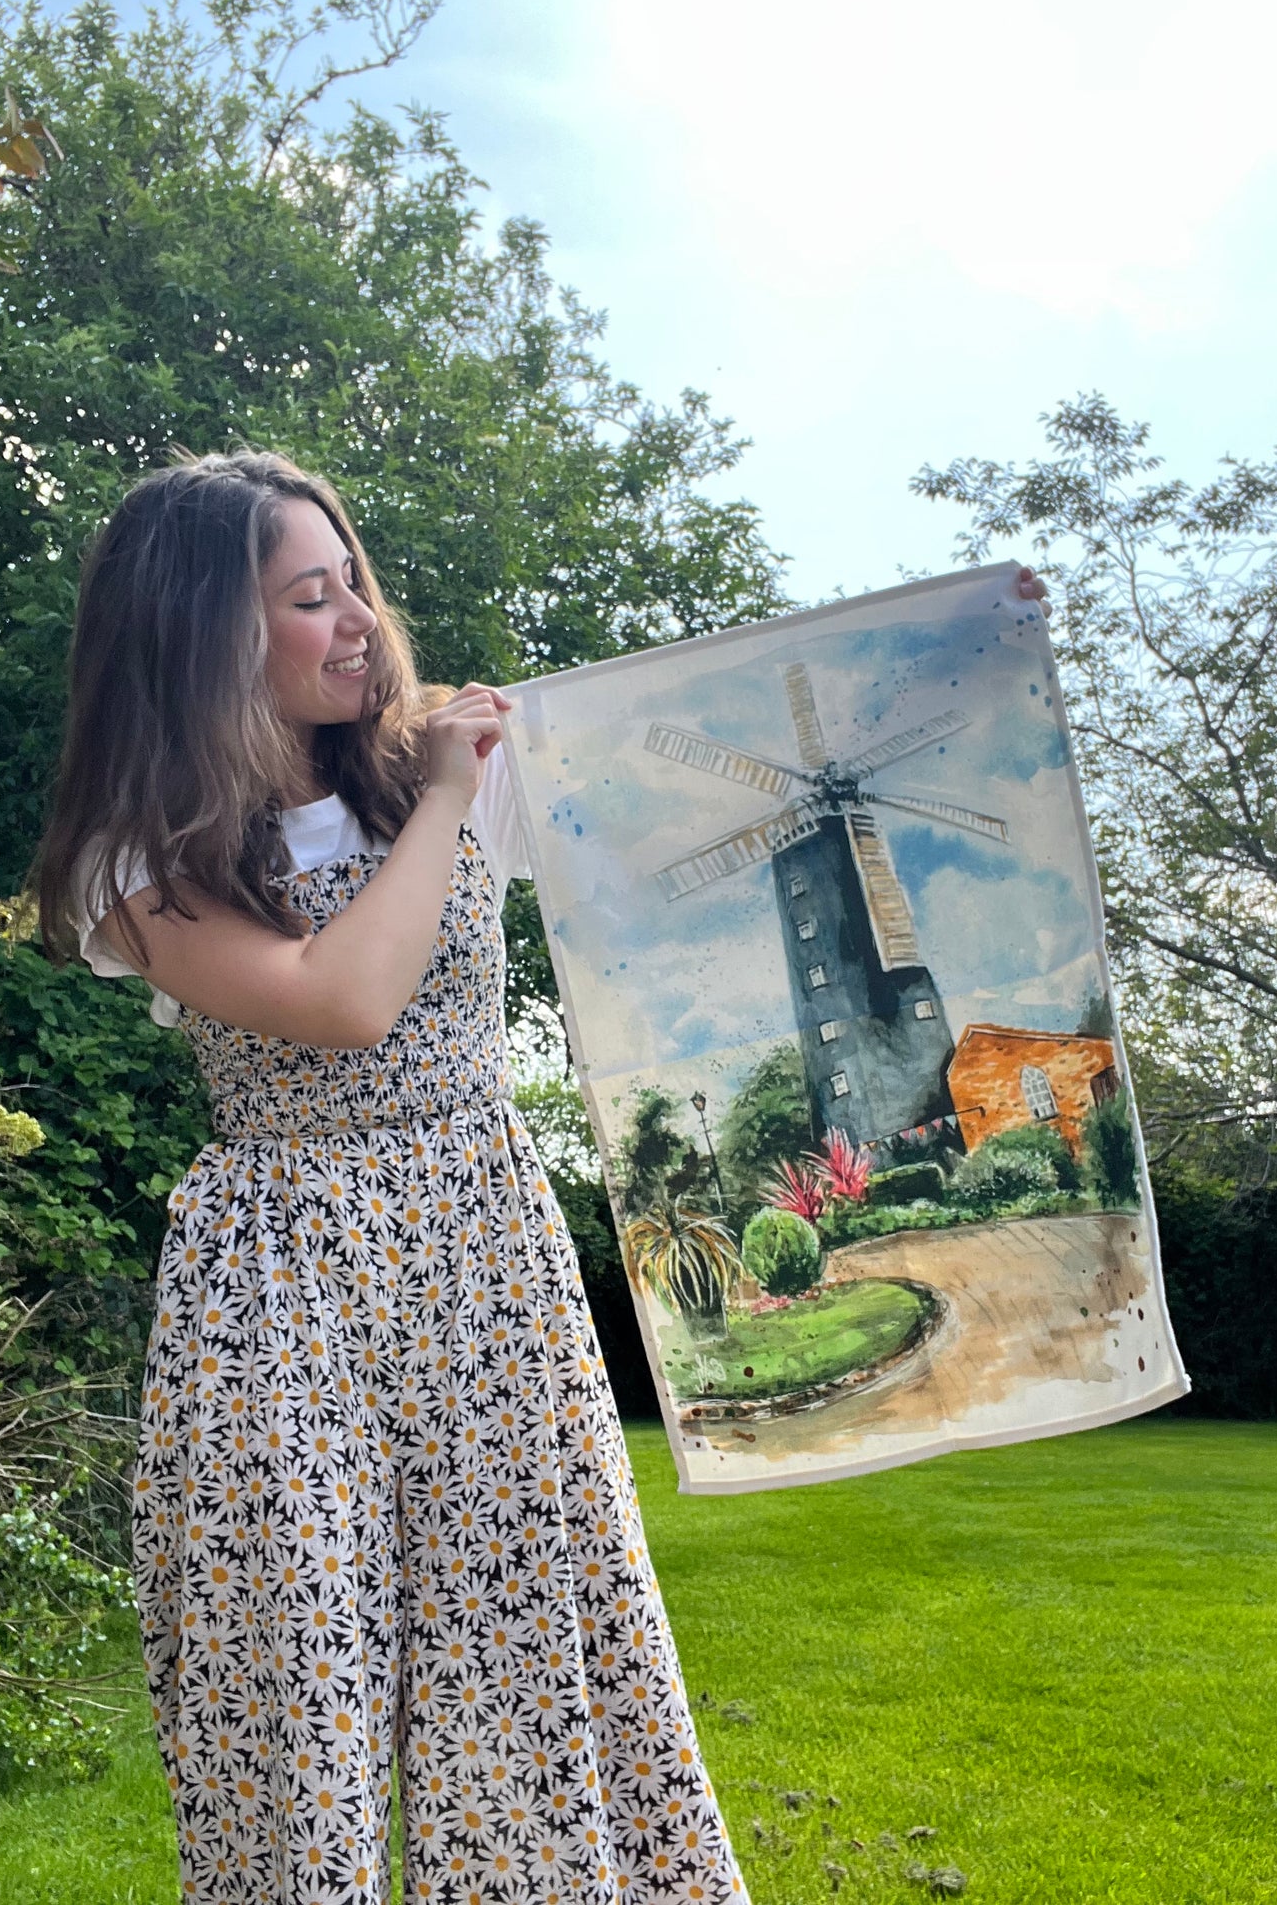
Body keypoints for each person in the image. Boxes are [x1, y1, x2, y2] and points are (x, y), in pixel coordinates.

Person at [37, 449, 747, 1905]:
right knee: (294, 1687)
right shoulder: (148, 857)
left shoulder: (452, 770)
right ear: (203, 643)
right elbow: (339, 998)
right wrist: (442, 801)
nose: (358, 618)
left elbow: (691, 794)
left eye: (351, 578)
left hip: (482, 1251)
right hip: (283, 1277)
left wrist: (953, 667)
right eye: (310, 597)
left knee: (535, 1663)